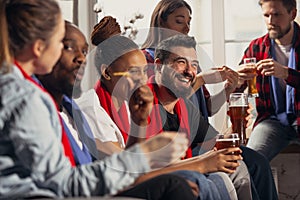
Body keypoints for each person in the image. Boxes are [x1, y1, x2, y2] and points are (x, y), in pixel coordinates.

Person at [0, 1, 197, 199]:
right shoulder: (27, 98)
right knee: (176, 186)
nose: (81, 59)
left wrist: (139, 127)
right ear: (39, 47)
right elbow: (64, 184)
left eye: (85, 52)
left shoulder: (67, 107)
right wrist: (146, 156)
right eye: (62, 44)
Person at [37, 20, 235, 200]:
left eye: (144, 71)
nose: (143, 80)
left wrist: (139, 122)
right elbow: (126, 170)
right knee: (188, 181)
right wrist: (198, 163)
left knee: (220, 178)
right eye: (134, 72)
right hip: (105, 185)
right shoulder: (91, 109)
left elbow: (131, 161)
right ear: (107, 72)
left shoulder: (125, 105)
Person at [148, 34, 278, 200]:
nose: (189, 71)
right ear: (158, 66)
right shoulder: (143, 103)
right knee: (229, 174)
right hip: (169, 177)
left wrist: (236, 127)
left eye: (194, 65)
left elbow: (215, 141)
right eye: (180, 62)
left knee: (253, 162)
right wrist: (204, 162)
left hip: (187, 167)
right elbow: (151, 166)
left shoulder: (184, 106)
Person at [141, 0, 239, 119]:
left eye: (188, 22)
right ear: (161, 22)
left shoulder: (190, 63)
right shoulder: (145, 59)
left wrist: (227, 90)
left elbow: (208, 109)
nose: (186, 28)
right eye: (179, 21)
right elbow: (161, 106)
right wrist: (201, 79)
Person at [236, 0, 300, 161]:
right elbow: (237, 89)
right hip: (271, 121)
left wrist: (286, 73)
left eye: (277, 15)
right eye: (266, 15)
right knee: (250, 161)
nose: (270, 21)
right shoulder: (256, 47)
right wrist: (236, 80)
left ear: (293, 14)